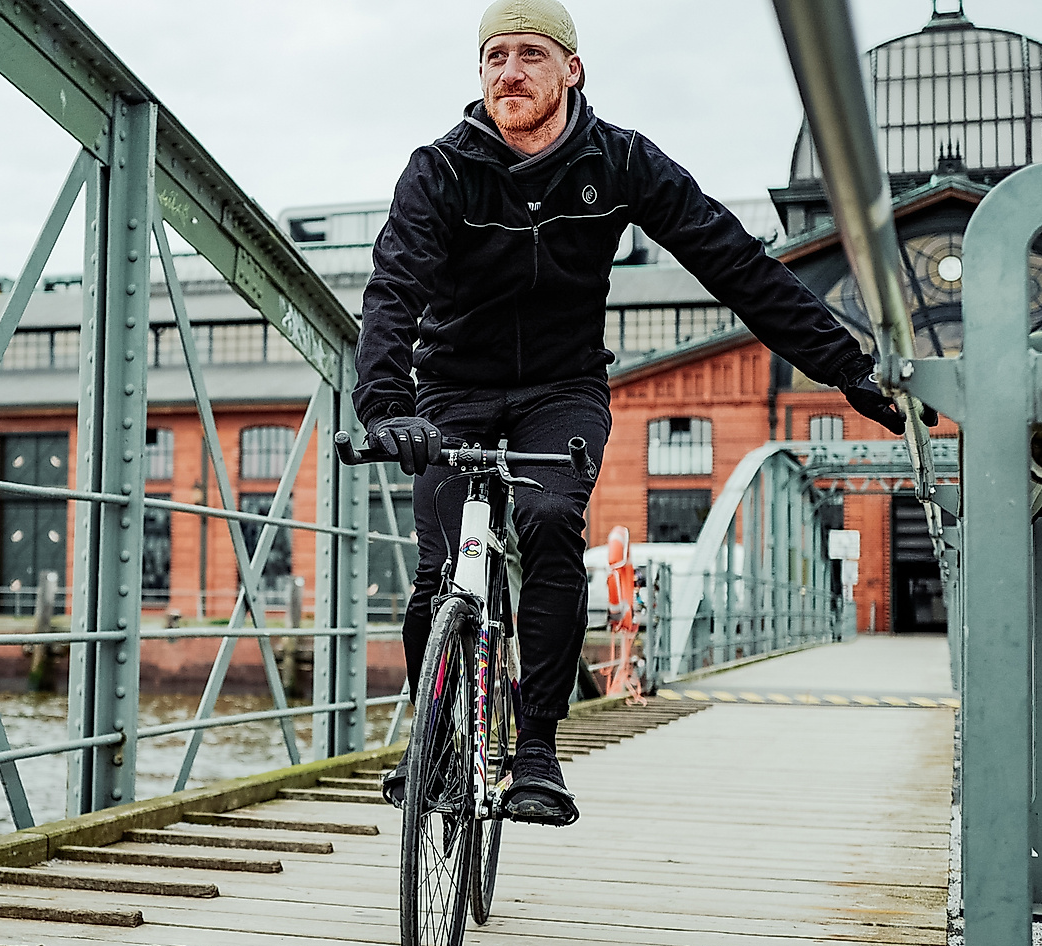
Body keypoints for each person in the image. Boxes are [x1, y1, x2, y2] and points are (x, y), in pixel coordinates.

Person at [356, 0, 905, 826]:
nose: (509, 72)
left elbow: (736, 265)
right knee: (438, 567)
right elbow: (393, 291)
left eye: (531, 55)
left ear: (571, 69)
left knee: (547, 520)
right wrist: (388, 405)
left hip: (560, 389)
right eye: (494, 56)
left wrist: (847, 368)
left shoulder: (620, 162)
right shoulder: (438, 170)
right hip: (451, 392)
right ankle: (433, 747)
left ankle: (537, 752)